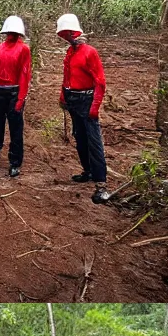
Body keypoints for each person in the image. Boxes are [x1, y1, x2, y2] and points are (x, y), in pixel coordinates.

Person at [56, 14, 111, 204]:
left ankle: (101, 185)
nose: (67, 36)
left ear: (76, 32)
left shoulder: (89, 52)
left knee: (93, 141)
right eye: (64, 34)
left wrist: (95, 106)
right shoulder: (70, 53)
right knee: (79, 137)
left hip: (87, 99)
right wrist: (63, 97)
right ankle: (87, 171)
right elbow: (67, 77)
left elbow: (100, 82)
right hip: (73, 100)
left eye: (69, 33)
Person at [0, 15, 31, 178]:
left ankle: (15, 163)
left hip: (14, 92)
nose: (12, 34)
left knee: (16, 128)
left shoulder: (24, 49)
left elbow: (25, 75)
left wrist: (21, 98)